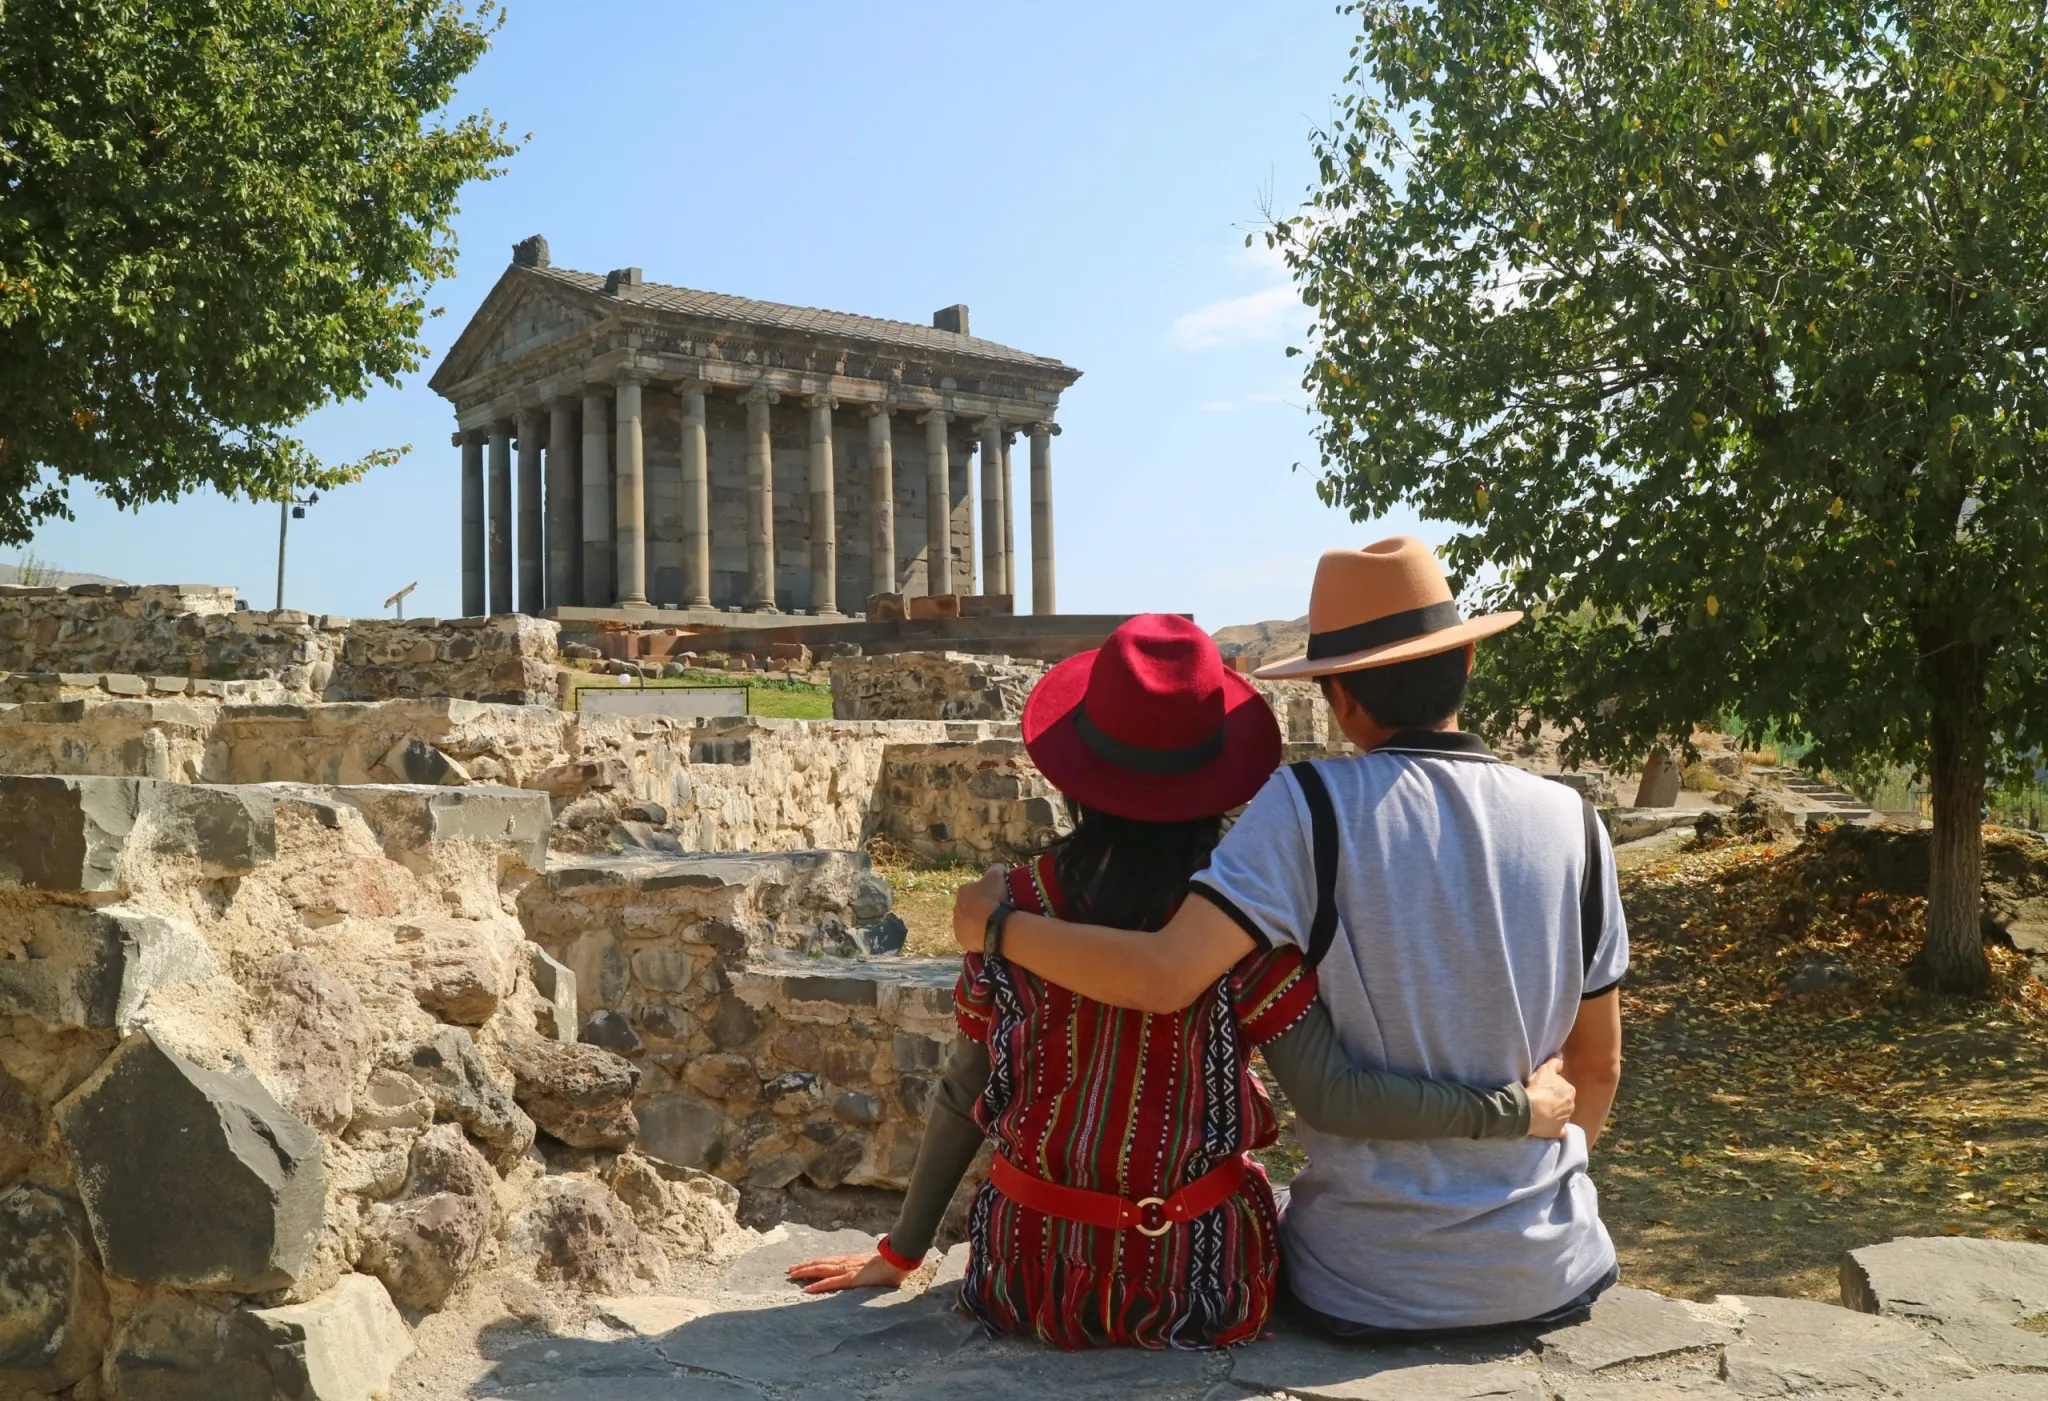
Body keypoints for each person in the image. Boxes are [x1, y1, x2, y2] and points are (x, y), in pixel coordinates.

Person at [788, 612, 1579, 1350]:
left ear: (1077, 767)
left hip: (1025, 1277)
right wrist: (1515, 1109)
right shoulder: (1239, 927)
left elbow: (967, 1088)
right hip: (1194, 1288)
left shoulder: (1014, 907)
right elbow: (1333, 1093)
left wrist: (900, 1250)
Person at [950, 539, 1629, 1339]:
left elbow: (1167, 973)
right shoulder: (1577, 824)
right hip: (1553, 1265)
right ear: (1468, 658)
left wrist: (994, 926)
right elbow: (1597, 1067)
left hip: (1367, 1280)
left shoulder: (1310, 805)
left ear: (1338, 697)